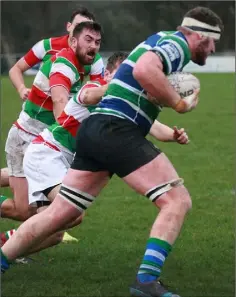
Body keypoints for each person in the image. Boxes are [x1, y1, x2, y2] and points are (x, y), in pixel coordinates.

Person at [1, 6, 223, 297]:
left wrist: (167, 111)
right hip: (112, 131)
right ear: (198, 35)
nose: (214, 46)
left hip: (96, 133)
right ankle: (146, 281)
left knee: (58, 216)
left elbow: (144, 85)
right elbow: (144, 70)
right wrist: (178, 103)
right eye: (212, 39)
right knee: (177, 200)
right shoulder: (179, 44)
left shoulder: (160, 40)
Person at [0, 6, 104, 221]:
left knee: (52, 207)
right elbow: (17, 71)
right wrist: (22, 89)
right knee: (23, 210)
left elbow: (95, 98)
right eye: (80, 30)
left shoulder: (92, 60)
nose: (91, 43)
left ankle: (45, 231)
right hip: (28, 134)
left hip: (51, 142)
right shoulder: (51, 50)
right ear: (71, 30)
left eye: (94, 39)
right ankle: (19, 241)